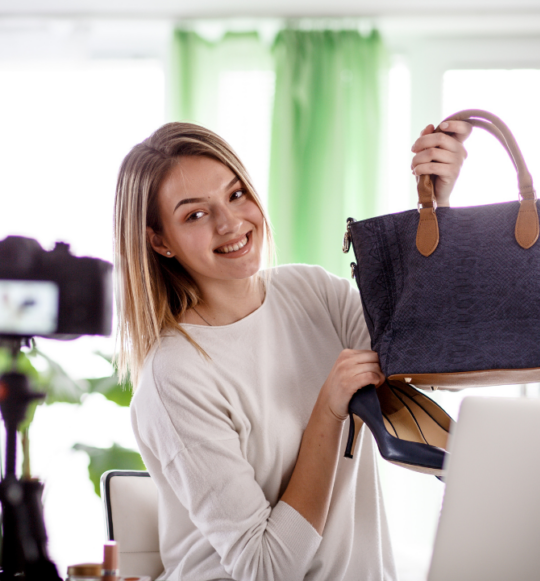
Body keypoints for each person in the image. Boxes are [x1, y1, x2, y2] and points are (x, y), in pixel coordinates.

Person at [113, 120, 470, 581]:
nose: (230, 223)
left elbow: (438, 358)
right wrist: (329, 410)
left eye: (236, 194)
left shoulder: (312, 292)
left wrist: (436, 209)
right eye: (195, 215)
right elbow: (267, 569)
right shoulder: (176, 375)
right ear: (159, 241)